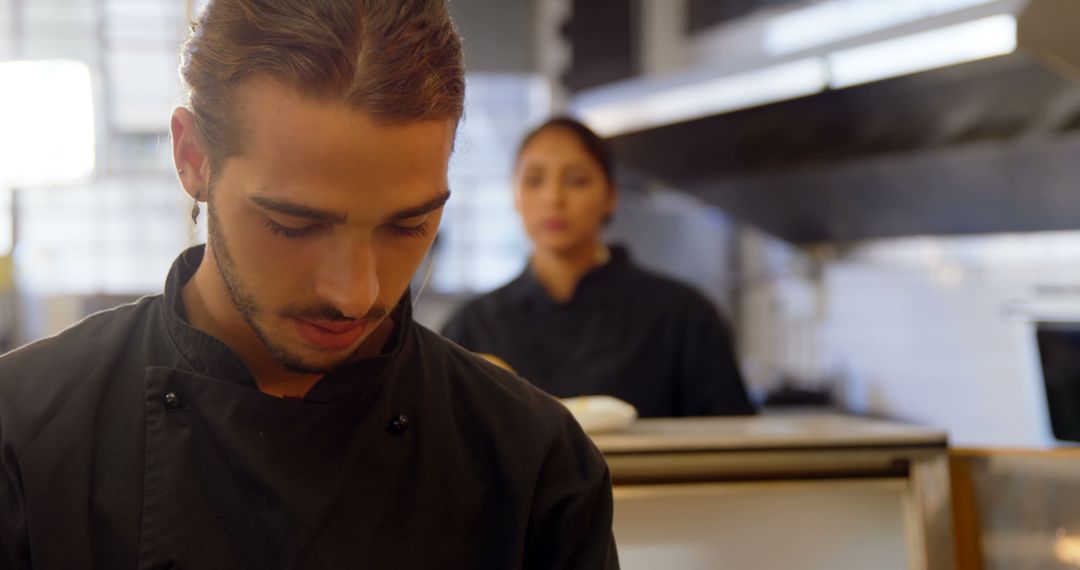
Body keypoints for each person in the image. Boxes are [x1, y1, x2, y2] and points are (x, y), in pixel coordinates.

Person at [0, 3, 618, 568]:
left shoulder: (535, 465)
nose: (354, 294)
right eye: (295, 225)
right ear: (192, 158)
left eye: (408, 225)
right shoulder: (24, 434)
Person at [442, 117, 754, 418]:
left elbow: (733, 439)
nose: (554, 198)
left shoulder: (683, 317)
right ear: (515, 194)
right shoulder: (474, 327)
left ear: (610, 196)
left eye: (576, 180)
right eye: (534, 180)